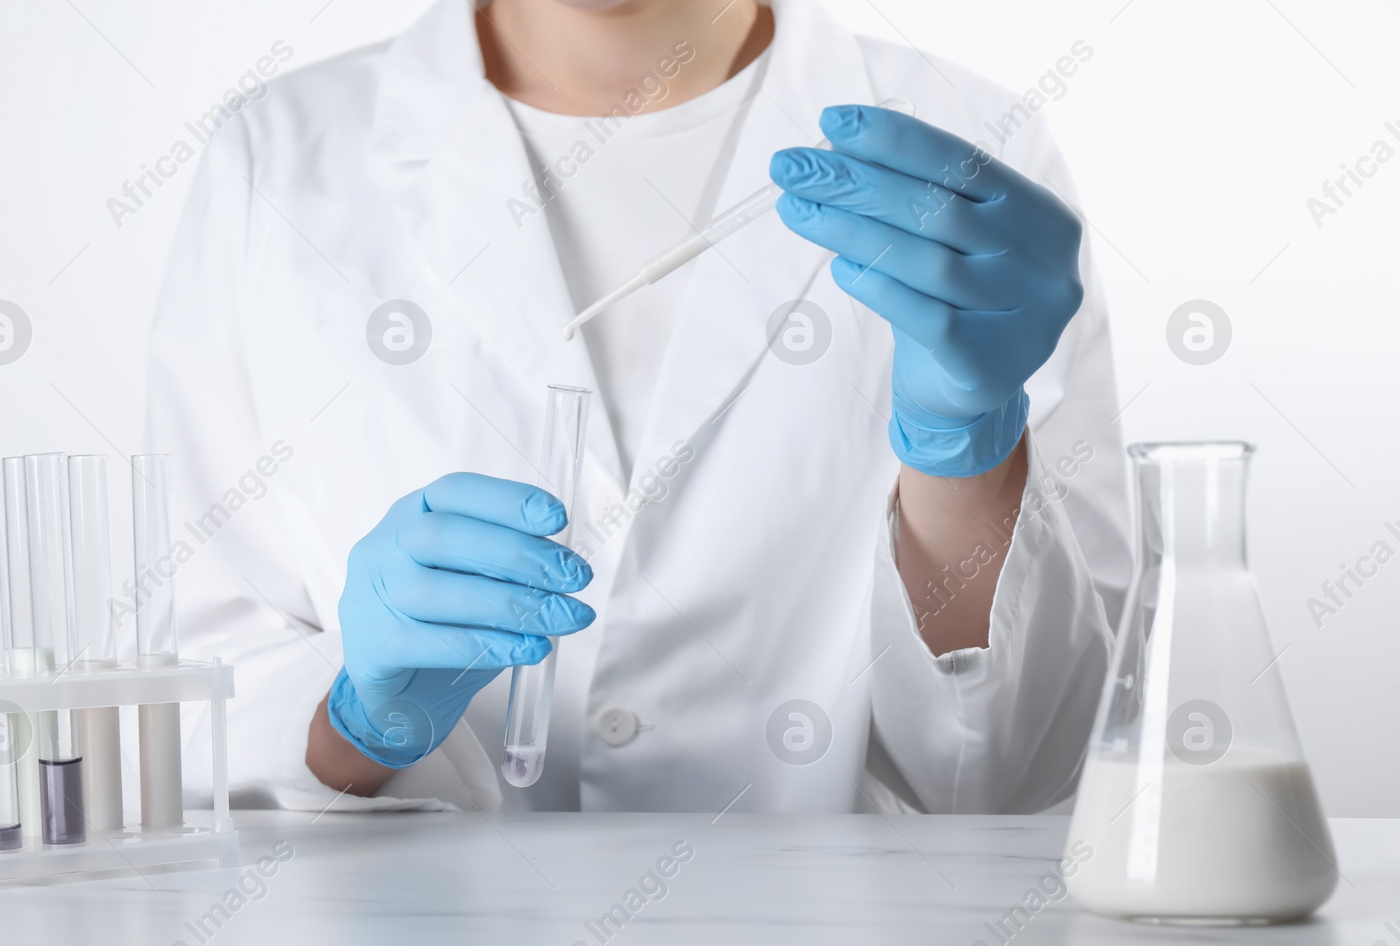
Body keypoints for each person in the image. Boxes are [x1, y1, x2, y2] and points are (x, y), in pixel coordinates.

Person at [145, 0, 1130, 815]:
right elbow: (177, 711)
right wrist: (353, 720)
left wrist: (967, 453)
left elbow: (1018, 770)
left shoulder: (964, 159)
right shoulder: (274, 160)